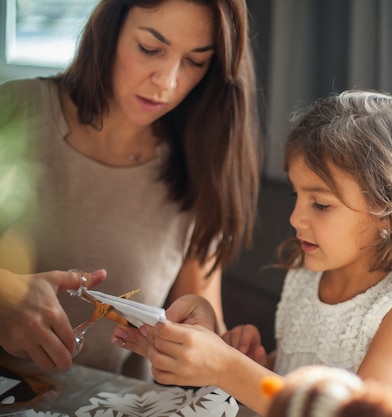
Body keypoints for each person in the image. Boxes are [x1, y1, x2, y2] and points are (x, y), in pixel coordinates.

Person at [113, 90, 392, 416]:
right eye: (297, 196)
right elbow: (291, 378)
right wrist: (245, 360)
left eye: (320, 205)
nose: (295, 218)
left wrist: (229, 370)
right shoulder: (305, 275)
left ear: (386, 210)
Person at [0, 0, 260, 379]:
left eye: (195, 61)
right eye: (150, 49)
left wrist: (217, 344)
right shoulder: (15, 110)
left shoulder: (199, 166)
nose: (168, 82)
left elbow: (204, 322)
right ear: (110, 28)